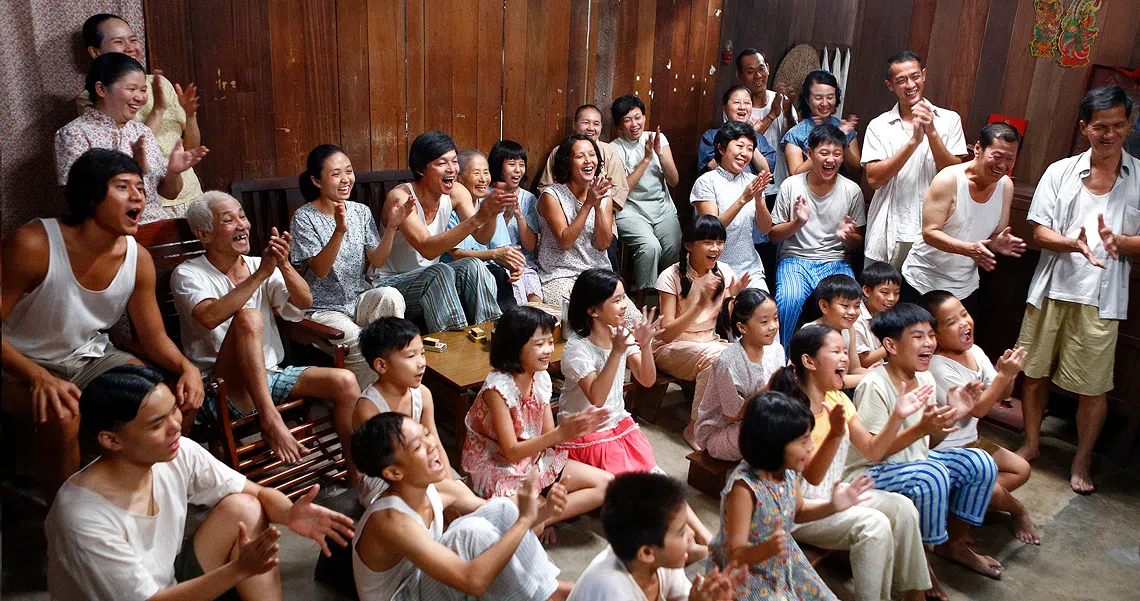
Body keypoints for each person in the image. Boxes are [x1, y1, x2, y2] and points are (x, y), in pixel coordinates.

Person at [46, 365, 355, 601]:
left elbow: (256, 492)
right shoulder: (82, 518)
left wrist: (289, 514)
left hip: (166, 582)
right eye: (158, 424)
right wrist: (239, 569)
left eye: (174, 412)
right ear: (111, 440)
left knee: (245, 506)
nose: (175, 426)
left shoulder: (177, 453)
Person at [3, 150, 205, 493]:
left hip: (89, 357)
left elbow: (153, 336)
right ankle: (65, 520)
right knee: (62, 414)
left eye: (140, 188)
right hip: (16, 364)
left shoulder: (136, 258)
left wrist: (188, 367)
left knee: (167, 398)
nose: (137, 196)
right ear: (91, 196)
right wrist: (36, 376)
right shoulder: (34, 244)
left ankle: (139, 491)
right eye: (123, 187)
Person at [173, 191, 360, 471]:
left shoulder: (259, 265)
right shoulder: (188, 274)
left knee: (345, 381)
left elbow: (304, 301)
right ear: (205, 235)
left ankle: (357, 474)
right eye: (229, 220)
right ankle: (270, 419)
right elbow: (210, 317)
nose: (242, 225)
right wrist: (261, 274)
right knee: (248, 318)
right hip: (222, 387)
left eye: (243, 216)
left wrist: (282, 264)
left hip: (271, 376)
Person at [1014, 85, 1139, 494]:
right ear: (1084, 127)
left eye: (1119, 125)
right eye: (1100, 126)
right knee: (1032, 373)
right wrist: (1071, 242)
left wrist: (1122, 242)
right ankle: (1031, 442)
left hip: (1103, 297)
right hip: (1051, 286)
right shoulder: (1060, 171)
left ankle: (1081, 458)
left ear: (1129, 125)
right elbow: (1038, 230)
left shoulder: (1138, 177)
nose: (1110, 134)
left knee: (1094, 387)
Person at [769, 325, 934, 601]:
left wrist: (897, 416)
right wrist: (834, 435)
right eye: (836, 352)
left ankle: (915, 596)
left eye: (845, 351)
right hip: (800, 508)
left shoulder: (838, 399)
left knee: (903, 508)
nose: (845, 358)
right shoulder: (791, 411)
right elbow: (809, 479)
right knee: (874, 526)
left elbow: (872, 450)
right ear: (809, 361)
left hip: (835, 492)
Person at [845, 303, 1003, 585]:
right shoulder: (875, 384)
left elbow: (928, 443)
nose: (929, 343)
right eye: (918, 336)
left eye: (931, 335)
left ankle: (954, 545)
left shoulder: (925, 376)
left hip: (914, 462)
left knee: (980, 463)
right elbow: (874, 451)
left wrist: (952, 415)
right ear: (890, 345)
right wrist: (921, 428)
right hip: (870, 471)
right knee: (932, 476)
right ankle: (922, 567)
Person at [562, 269, 715, 552]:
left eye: (624, 298)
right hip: (586, 436)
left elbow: (647, 379)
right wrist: (619, 351)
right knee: (641, 497)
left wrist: (643, 345)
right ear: (594, 310)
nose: (625, 306)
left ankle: (706, 537)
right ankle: (680, 544)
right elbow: (596, 397)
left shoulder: (622, 337)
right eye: (617, 300)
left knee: (659, 481)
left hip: (618, 429)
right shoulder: (576, 349)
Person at [351, 413, 569, 601]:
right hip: (400, 595)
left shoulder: (437, 489)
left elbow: (505, 522)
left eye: (427, 433)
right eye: (417, 446)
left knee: (501, 507)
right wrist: (524, 521)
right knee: (470, 534)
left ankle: (551, 590)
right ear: (393, 473)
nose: (432, 445)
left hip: (422, 580)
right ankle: (548, 594)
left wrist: (544, 511)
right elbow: (473, 581)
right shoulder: (391, 521)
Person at [709, 390, 875, 601]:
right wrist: (767, 549)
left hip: (783, 560)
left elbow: (799, 511)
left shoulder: (788, 471)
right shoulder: (744, 488)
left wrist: (833, 506)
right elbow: (735, 555)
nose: (811, 446)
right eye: (803, 441)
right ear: (774, 445)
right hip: (747, 575)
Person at [462, 306, 612, 534]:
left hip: (532, 457)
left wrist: (575, 429)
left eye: (550, 342)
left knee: (607, 483)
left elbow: (547, 437)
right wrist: (561, 434)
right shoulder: (497, 388)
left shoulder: (541, 377)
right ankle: (537, 520)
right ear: (515, 347)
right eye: (539, 344)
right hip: (496, 462)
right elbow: (511, 451)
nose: (548, 350)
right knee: (523, 519)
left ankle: (542, 518)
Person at [919, 291, 1039, 545]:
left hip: (972, 441)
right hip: (947, 450)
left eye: (964, 314)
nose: (964, 323)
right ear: (935, 335)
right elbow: (979, 409)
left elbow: (1001, 394)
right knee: (992, 491)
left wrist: (1010, 374)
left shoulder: (975, 351)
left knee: (1022, 469)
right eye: (951, 322)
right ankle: (1016, 509)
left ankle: (962, 505)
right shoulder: (938, 367)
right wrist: (1003, 376)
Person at [288, 144, 408, 389]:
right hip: (324, 308)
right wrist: (339, 231)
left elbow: (378, 260)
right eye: (336, 174)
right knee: (360, 340)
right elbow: (320, 270)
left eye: (349, 171)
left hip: (358, 298)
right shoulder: (304, 218)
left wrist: (393, 228)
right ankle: (365, 404)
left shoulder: (360, 211)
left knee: (391, 296)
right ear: (317, 181)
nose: (346, 180)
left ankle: (395, 388)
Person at [373, 131, 509, 333]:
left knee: (473, 265)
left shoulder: (456, 192)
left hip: (433, 278)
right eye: (441, 163)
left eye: (454, 162)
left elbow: (482, 236)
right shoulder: (401, 197)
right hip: (392, 282)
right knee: (440, 271)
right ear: (421, 169)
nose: (452, 169)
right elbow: (427, 249)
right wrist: (478, 218)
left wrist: (492, 214)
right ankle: (454, 348)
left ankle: (492, 335)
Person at [56, 53, 208, 223]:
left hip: (154, 228)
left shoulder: (142, 131)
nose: (140, 97)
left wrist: (174, 172)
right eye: (131, 89)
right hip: (108, 236)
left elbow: (169, 194)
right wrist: (133, 170)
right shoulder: (74, 133)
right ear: (101, 89)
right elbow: (77, 197)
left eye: (143, 90)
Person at [79, 13, 204, 211]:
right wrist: (158, 110)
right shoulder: (95, 96)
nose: (130, 48)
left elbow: (189, 148)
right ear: (95, 52)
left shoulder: (160, 84)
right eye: (119, 41)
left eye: (133, 39)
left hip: (187, 191)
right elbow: (127, 153)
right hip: (146, 201)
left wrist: (190, 115)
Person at [901, 122, 1026, 312]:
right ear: (978, 149)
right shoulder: (949, 179)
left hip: (964, 288)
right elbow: (929, 233)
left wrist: (997, 243)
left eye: (1010, 159)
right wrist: (968, 249)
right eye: (997, 156)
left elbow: (995, 235)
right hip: (923, 282)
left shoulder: (1005, 186)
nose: (1002, 165)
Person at [863, 51, 968, 269]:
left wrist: (931, 133)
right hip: (889, 226)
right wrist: (912, 143)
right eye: (901, 80)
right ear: (890, 85)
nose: (910, 85)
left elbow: (955, 175)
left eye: (915, 76)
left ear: (924, 75)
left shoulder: (949, 120)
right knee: (880, 298)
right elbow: (874, 179)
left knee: (924, 300)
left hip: (934, 229)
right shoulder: (879, 125)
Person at [764, 123, 866, 347]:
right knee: (787, 301)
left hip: (835, 261)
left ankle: (838, 362)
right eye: (824, 153)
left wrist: (847, 237)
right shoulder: (791, 185)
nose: (831, 159)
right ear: (810, 154)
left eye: (837, 153)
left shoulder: (852, 190)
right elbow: (773, 236)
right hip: (795, 260)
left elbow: (858, 243)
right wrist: (798, 222)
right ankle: (781, 360)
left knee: (848, 305)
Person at [567, 472, 743, 601]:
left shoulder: (658, 563)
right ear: (647, 553)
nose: (692, 534)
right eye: (681, 532)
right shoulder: (613, 591)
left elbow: (680, 596)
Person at [654, 215, 749, 450]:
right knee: (716, 359)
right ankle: (694, 428)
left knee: (746, 355)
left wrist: (732, 297)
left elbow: (726, 325)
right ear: (689, 245)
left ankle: (734, 420)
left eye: (719, 242)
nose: (715, 248)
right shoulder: (671, 276)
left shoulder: (724, 272)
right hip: (670, 347)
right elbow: (666, 334)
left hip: (708, 341)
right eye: (707, 242)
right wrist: (698, 305)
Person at [352, 317, 456, 508]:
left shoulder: (423, 394)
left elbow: (436, 443)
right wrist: (435, 485)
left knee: (456, 490)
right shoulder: (368, 408)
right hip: (386, 478)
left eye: (422, 353)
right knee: (433, 500)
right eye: (410, 356)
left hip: (419, 462)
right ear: (382, 365)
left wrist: (449, 484)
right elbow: (383, 465)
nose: (421, 363)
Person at [696, 288, 784, 460]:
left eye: (775, 318)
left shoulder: (776, 349)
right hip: (721, 431)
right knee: (772, 433)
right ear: (742, 327)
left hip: (760, 418)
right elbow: (731, 416)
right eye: (764, 322)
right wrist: (768, 388)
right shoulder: (728, 362)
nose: (773, 326)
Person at [608, 94, 683, 292]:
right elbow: (621, 191)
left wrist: (659, 153)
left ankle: (667, 295)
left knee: (673, 246)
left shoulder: (658, 138)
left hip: (662, 209)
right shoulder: (614, 148)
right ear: (619, 126)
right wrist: (646, 159)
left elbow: (674, 180)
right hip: (630, 211)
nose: (634, 124)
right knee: (650, 248)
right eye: (627, 120)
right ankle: (642, 302)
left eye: (638, 117)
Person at [691, 121, 774, 289]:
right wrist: (743, 199)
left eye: (750, 149)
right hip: (713, 267)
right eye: (739, 146)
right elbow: (712, 230)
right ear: (721, 149)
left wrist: (758, 199)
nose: (744, 153)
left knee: (763, 310)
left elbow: (765, 229)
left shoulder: (753, 181)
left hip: (749, 267)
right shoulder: (706, 181)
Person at [535, 134, 616, 304]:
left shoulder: (604, 195)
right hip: (560, 275)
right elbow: (565, 242)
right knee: (581, 319)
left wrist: (598, 206)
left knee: (631, 319)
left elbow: (603, 244)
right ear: (567, 163)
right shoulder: (552, 196)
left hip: (597, 274)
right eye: (580, 156)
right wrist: (588, 205)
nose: (588, 160)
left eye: (592, 154)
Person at [447, 149, 523, 310]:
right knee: (490, 274)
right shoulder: (450, 207)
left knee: (500, 275)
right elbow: (456, 254)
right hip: (457, 274)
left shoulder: (489, 201)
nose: (483, 179)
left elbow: (499, 247)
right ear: (459, 179)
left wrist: (512, 263)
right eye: (476, 173)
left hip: (491, 273)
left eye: (486, 173)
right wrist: (493, 255)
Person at [537, 104, 630, 212]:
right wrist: (570, 205)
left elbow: (619, 190)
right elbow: (545, 187)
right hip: (564, 214)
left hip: (600, 212)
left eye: (596, 124)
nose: (591, 128)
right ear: (574, 124)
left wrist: (594, 202)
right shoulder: (560, 151)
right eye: (585, 122)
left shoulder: (609, 152)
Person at [734, 48, 796, 196]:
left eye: (761, 68)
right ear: (740, 76)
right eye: (750, 71)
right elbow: (742, 142)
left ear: (767, 69)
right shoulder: (738, 107)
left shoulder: (781, 101)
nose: (758, 76)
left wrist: (787, 115)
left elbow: (794, 141)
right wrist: (772, 115)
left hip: (781, 186)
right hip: (747, 189)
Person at [488, 140, 544, 304]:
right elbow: (488, 242)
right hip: (497, 264)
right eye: (512, 164)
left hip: (525, 263)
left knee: (536, 303)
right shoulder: (489, 197)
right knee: (518, 303)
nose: (518, 170)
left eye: (521, 164)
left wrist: (519, 216)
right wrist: (506, 216)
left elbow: (531, 246)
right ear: (499, 166)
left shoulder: (528, 198)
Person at [782, 70, 860, 176]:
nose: (824, 103)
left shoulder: (845, 129)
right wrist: (825, 141)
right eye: (818, 98)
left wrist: (842, 139)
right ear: (807, 99)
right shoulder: (795, 135)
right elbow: (795, 174)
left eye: (830, 97)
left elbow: (855, 169)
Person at [797, 274, 868, 386]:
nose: (852, 312)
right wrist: (872, 377)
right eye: (845, 306)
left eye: (857, 306)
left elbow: (854, 369)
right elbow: (826, 380)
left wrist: (880, 373)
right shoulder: (811, 331)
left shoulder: (849, 329)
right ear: (824, 306)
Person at [698, 85, 777, 176]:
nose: (742, 107)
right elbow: (710, 166)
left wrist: (748, 137)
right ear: (725, 109)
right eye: (736, 102)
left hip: (752, 188)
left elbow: (765, 172)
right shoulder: (711, 135)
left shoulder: (760, 139)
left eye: (747, 103)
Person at [854, 261, 901, 368]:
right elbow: (863, 362)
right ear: (867, 291)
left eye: (896, 293)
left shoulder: (890, 314)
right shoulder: (856, 318)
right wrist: (897, 342)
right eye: (885, 292)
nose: (891, 298)